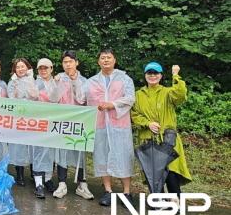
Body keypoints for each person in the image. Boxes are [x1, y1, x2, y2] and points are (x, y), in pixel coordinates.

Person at [80, 48, 135, 206]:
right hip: (100, 125)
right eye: (102, 58)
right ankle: (108, 191)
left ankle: (127, 192)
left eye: (108, 57)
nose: (105, 60)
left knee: (123, 156)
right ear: (98, 61)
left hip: (120, 125)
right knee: (102, 156)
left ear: (114, 60)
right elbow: (80, 98)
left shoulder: (124, 79)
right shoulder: (90, 81)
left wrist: (113, 104)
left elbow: (130, 98)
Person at [131, 62, 191, 201]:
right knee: (153, 173)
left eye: (156, 73)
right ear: (145, 75)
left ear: (161, 76)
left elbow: (181, 94)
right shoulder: (138, 95)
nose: (152, 76)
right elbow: (134, 115)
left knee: (171, 172)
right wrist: (147, 123)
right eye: (149, 73)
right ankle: (158, 200)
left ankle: (176, 201)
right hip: (148, 139)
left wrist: (176, 76)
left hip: (167, 140)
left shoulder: (168, 92)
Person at [47, 51, 94, 200]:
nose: (68, 64)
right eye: (65, 62)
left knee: (79, 151)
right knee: (62, 151)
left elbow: (83, 100)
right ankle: (62, 183)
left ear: (76, 63)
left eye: (70, 61)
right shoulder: (59, 79)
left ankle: (82, 183)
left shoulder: (85, 80)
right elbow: (53, 99)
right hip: (63, 121)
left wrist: (74, 82)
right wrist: (56, 84)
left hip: (80, 122)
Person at [7, 58, 37, 187]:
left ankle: (33, 173)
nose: (20, 69)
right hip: (18, 119)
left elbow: (35, 96)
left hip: (32, 118)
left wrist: (29, 82)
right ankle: (19, 174)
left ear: (27, 67)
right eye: (18, 67)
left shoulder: (34, 80)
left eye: (23, 66)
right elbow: (11, 98)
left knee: (32, 145)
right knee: (19, 146)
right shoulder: (12, 82)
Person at [31, 58, 57, 197]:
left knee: (50, 153)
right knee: (38, 153)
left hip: (53, 124)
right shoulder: (34, 84)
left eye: (46, 68)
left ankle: (48, 179)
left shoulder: (57, 83)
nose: (43, 70)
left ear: (51, 69)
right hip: (38, 124)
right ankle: (38, 184)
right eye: (40, 68)